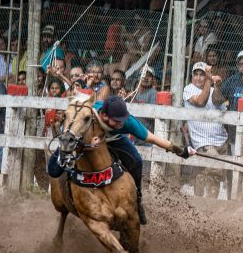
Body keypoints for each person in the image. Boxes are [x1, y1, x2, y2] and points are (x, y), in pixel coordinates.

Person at [47, 95, 190, 225]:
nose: (121, 123)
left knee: (137, 161)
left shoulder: (127, 122)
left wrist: (181, 151)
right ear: (103, 116)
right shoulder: (89, 114)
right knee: (53, 170)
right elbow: (72, 126)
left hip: (113, 138)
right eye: (117, 120)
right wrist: (87, 145)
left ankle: (138, 199)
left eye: (122, 119)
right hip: (81, 139)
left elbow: (153, 138)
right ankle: (72, 193)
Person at [183, 62, 227, 198]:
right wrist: (209, 80)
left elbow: (218, 101)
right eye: (195, 74)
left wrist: (217, 86)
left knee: (214, 175)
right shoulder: (188, 89)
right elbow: (201, 101)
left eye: (202, 75)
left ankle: (207, 205)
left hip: (222, 140)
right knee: (215, 168)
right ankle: (205, 202)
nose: (198, 77)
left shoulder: (212, 89)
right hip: (204, 142)